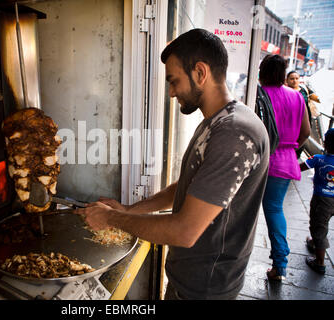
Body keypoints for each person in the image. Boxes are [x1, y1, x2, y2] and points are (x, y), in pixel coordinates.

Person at [76, 29, 270, 300]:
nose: (171, 92)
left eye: (174, 81)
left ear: (200, 73)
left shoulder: (234, 133)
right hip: (189, 280)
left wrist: (111, 218)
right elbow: (188, 187)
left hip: (204, 289)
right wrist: (130, 209)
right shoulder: (216, 124)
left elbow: (185, 231)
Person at [259, 55, 310, 281]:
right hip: (285, 160)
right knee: (274, 210)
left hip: (259, 159)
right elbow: (306, 132)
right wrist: (290, 148)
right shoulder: (297, 97)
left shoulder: (258, 95)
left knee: (246, 210)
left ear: (261, 71)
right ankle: (279, 265)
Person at [300, 128, 334, 275]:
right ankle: (314, 242)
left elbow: (299, 167)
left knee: (318, 226)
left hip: (322, 200)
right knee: (321, 225)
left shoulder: (318, 159)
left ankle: (319, 262)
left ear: (325, 143)